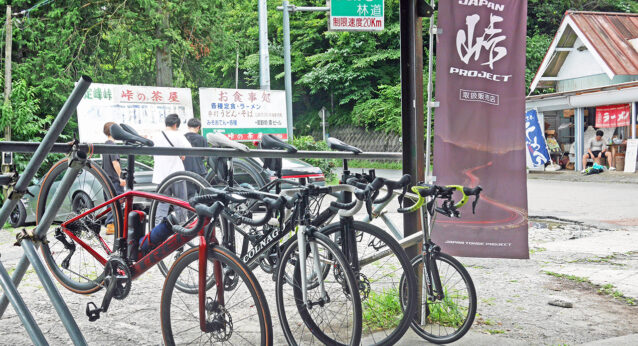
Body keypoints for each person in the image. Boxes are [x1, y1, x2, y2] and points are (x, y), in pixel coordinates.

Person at [152, 114, 192, 225]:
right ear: (176, 125)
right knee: (181, 202)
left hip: (161, 176)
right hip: (176, 174)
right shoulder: (178, 135)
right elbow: (188, 150)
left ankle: (158, 227)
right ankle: (182, 226)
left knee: (161, 204)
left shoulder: (156, 135)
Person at [102, 122, 127, 235]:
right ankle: (112, 225)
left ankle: (111, 225)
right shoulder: (112, 145)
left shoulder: (105, 145)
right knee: (117, 202)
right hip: (114, 180)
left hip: (106, 179)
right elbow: (115, 163)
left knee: (110, 203)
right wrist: (121, 177)